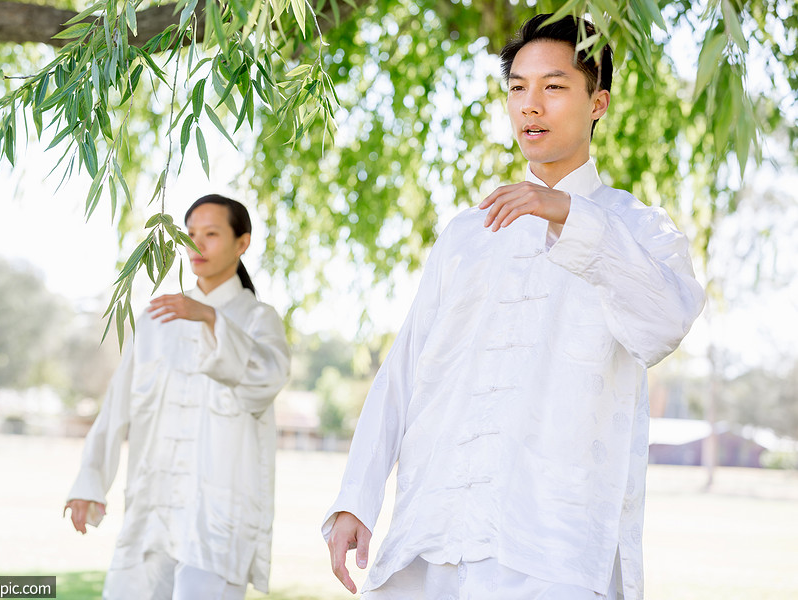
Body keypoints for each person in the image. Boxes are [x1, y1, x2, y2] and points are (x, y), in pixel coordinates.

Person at [323, 14, 705, 600]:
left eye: (554, 87)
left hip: (552, 546)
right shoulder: (467, 235)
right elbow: (403, 371)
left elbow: (664, 324)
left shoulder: (638, 229)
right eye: (517, 88)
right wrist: (357, 499)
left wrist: (567, 215)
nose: (531, 105)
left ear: (597, 102)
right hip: (433, 534)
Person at [65, 194, 290, 600]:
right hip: (153, 509)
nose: (196, 246)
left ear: (242, 243)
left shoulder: (259, 320)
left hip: (218, 520)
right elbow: (117, 403)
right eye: (190, 235)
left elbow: (268, 378)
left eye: (211, 234)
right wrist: (90, 480)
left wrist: (210, 317)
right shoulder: (156, 318)